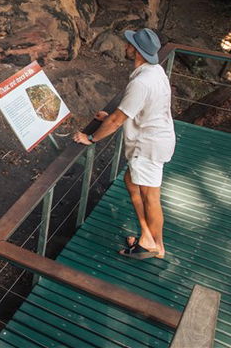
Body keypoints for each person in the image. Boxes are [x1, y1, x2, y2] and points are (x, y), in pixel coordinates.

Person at [73, 28, 175, 259]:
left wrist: (91, 138)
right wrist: (107, 119)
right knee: (131, 181)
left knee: (151, 197)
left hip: (149, 145)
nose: (126, 47)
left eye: (130, 45)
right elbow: (130, 111)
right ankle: (148, 236)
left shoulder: (142, 82)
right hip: (157, 139)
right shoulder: (155, 71)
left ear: (136, 50)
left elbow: (118, 120)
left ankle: (155, 245)